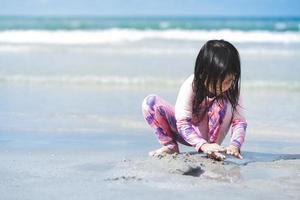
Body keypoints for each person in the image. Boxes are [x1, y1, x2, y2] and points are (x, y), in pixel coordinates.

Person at [141, 39, 247, 161]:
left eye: (229, 81)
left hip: (212, 136)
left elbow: (239, 122)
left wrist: (235, 145)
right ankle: (170, 146)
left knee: (221, 102)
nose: (223, 87)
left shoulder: (232, 91)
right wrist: (202, 145)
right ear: (202, 74)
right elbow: (182, 122)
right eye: (218, 82)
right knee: (150, 103)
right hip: (187, 132)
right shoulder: (191, 85)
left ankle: (214, 148)